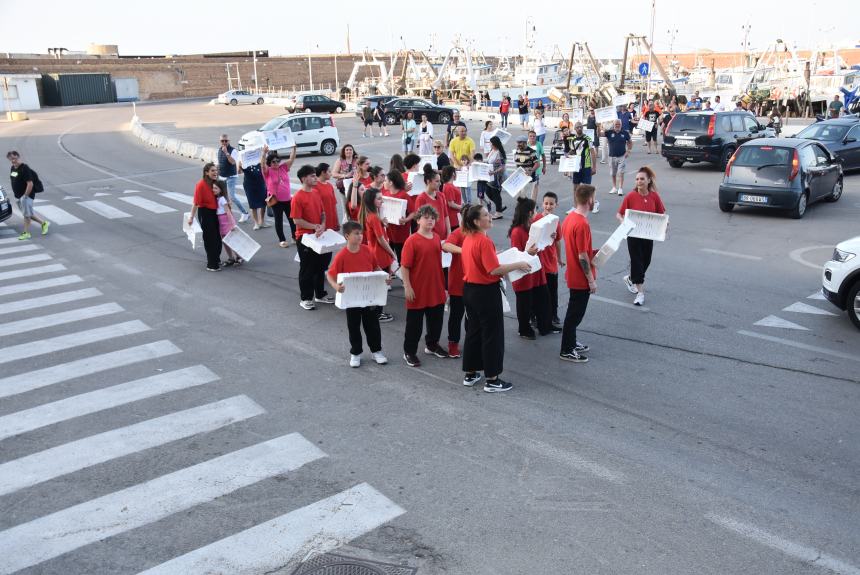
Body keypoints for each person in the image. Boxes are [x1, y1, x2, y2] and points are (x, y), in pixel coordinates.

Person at [460, 204, 531, 392]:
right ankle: (492, 379)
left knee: (474, 332)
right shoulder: (483, 241)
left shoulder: (469, 238)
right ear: (476, 221)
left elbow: (484, 262)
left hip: (470, 290)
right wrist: (518, 264)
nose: (490, 217)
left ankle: (471, 372)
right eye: (485, 215)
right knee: (492, 334)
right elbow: (494, 270)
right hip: (485, 292)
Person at [326, 221, 389, 367]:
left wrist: (384, 277)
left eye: (361, 233)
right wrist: (336, 286)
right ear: (347, 236)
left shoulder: (367, 250)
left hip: (369, 297)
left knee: (372, 325)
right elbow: (330, 275)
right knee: (353, 326)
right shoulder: (342, 256)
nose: (360, 236)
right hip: (351, 299)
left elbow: (376, 267)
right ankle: (355, 353)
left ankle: (376, 351)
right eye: (356, 233)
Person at [400, 205, 450, 366]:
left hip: (435, 287)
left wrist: (444, 287)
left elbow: (438, 265)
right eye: (426, 217)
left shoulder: (436, 238)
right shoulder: (412, 241)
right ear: (418, 219)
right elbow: (405, 266)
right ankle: (409, 352)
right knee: (414, 325)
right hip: (417, 289)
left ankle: (432, 345)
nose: (430, 220)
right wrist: (407, 287)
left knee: (436, 321)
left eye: (432, 218)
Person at [508, 198, 557, 339]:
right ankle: (524, 329)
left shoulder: (533, 225)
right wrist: (528, 253)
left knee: (543, 299)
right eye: (535, 210)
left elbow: (541, 243)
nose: (537, 213)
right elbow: (516, 254)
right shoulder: (517, 231)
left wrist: (550, 237)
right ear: (530, 212)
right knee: (524, 303)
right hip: (524, 272)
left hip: (535, 269)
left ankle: (545, 325)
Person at [617, 166, 666, 306]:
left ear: (648, 180)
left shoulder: (654, 196)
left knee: (646, 261)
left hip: (648, 235)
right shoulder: (630, 196)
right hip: (633, 236)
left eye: (642, 179)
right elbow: (619, 214)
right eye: (637, 179)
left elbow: (661, 214)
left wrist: (664, 224)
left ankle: (631, 278)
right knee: (637, 261)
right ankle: (640, 293)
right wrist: (623, 222)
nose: (639, 181)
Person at [559, 184, 597, 363]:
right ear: (590, 200)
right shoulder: (582, 223)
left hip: (572, 274)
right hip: (579, 278)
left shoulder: (570, 218)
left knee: (574, 313)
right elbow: (582, 257)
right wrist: (591, 280)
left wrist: (594, 252)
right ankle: (567, 349)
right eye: (594, 198)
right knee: (575, 315)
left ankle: (572, 342)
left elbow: (578, 249)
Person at [292, 164, 333, 310]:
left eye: (315, 175)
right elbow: (297, 220)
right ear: (304, 178)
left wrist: (322, 225)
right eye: (312, 176)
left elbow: (323, 213)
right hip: (305, 238)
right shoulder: (298, 197)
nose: (315, 178)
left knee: (320, 266)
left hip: (318, 235)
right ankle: (306, 298)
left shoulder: (316, 193)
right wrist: (314, 227)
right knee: (307, 269)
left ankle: (320, 294)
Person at [359, 186, 398, 324]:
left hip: (375, 254)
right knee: (382, 285)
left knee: (379, 284)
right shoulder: (374, 217)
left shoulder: (371, 215)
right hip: (380, 255)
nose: (382, 200)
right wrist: (392, 252)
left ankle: (374, 312)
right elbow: (381, 239)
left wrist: (383, 223)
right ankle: (377, 313)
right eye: (379, 198)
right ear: (372, 201)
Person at [534, 191, 564, 324]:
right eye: (546, 203)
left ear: (556, 205)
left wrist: (559, 258)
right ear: (542, 204)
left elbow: (558, 241)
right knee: (538, 292)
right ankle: (535, 314)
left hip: (550, 261)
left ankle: (554, 314)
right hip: (538, 261)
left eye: (551, 204)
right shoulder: (536, 219)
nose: (548, 206)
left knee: (552, 291)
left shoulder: (556, 222)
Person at [442, 207, 468, 358]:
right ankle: (453, 344)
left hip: (474, 283)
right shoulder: (458, 232)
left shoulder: (479, 233)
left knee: (471, 316)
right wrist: (463, 250)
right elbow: (445, 246)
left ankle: (471, 342)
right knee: (456, 315)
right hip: (458, 283)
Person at [6, 151, 49, 240]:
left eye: (14, 158)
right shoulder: (13, 168)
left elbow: (30, 184)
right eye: (11, 159)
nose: (13, 160)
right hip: (19, 196)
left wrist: (25, 196)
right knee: (28, 213)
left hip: (26, 195)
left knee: (26, 215)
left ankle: (26, 233)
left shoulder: (24, 168)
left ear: (18, 156)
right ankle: (43, 223)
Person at [189, 163, 224, 272]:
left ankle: (216, 259)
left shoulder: (215, 183)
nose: (215, 172)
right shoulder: (200, 185)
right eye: (212, 171)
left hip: (215, 213)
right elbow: (196, 203)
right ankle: (211, 264)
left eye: (216, 170)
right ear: (206, 172)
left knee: (218, 239)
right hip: (205, 213)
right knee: (210, 239)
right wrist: (191, 217)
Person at [261, 147, 296, 248]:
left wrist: (294, 149)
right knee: (279, 220)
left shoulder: (283, 168)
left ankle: (294, 237)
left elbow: (292, 159)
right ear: (270, 163)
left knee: (292, 219)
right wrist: (263, 153)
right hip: (276, 200)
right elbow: (262, 164)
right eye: (273, 161)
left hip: (287, 199)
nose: (276, 163)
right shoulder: (267, 171)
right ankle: (282, 240)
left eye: (277, 161)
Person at [217, 134, 250, 223]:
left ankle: (245, 213)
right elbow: (220, 162)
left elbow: (232, 162)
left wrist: (226, 153)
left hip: (231, 177)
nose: (224, 142)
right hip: (222, 176)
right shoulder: (219, 150)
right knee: (222, 197)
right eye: (222, 141)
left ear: (229, 141)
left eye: (226, 141)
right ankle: (227, 214)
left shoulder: (233, 151)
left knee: (232, 197)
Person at [383, 170, 412, 262]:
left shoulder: (404, 195)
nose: (384, 183)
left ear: (391, 183)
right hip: (389, 233)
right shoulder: (385, 195)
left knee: (402, 258)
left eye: (385, 180)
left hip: (401, 235)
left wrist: (406, 220)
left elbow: (414, 212)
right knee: (388, 258)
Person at [414, 166, 450, 240]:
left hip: (444, 238)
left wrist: (449, 233)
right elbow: (420, 222)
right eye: (437, 181)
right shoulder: (421, 199)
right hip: (430, 238)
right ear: (428, 181)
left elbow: (446, 216)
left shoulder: (441, 195)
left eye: (440, 181)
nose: (440, 183)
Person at [238, 150, 269, 230]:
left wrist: (264, 153)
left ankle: (262, 221)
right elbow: (239, 171)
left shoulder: (259, 161)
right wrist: (239, 164)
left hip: (261, 184)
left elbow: (264, 162)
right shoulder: (245, 161)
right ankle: (256, 222)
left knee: (263, 203)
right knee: (253, 204)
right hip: (249, 185)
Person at [605, 119, 633, 206]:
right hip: (612, 156)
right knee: (613, 173)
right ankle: (614, 187)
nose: (617, 125)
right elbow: (600, 134)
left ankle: (620, 188)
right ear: (613, 125)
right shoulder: (609, 132)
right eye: (616, 124)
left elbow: (630, 142)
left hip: (622, 156)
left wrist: (628, 151)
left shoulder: (624, 133)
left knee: (620, 172)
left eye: (619, 124)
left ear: (621, 125)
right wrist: (599, 126)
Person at [214, 181, 241, 266]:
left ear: (221, 190)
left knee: (231, 241)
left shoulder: (222, 199)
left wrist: (232, 224)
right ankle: (230, 258)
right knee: (225, 241)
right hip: (220, 223)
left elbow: (228, 212)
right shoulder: (215, 198)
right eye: (213, 188)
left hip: (226, 222)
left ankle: (239, 257)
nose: (213, 189)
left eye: (215, 188)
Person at [564, 121, 597, 189]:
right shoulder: (573, 139)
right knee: (575, 187)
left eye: (581, 127)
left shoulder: (588, 139)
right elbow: (573, 150)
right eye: (577, 127)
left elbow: (593, 153)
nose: (579, 128)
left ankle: (587, 200)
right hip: (576, 167)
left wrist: (594, 167)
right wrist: (567, 154)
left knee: (587, 188)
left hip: (586, 166)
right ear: (575, 129)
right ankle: (576, 200)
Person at [485, 136, 507, 219]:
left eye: (491, 143)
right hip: (489, 176)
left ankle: (499, 212)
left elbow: (502, 167)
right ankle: (500, 206)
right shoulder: (492, 151)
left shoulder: (499, 153)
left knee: (495, 194)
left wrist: (494, 172)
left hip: (497, 177)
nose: (490, 144)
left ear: (494, 144)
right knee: (488, 192)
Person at [314, 163, 340, 234]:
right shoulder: (315, 186)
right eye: (329, 171)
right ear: (323, 172)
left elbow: (334, 204)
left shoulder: (330, 186)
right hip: (322, 222)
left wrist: (336, 220)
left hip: (331, 219)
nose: (331, 174)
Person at [514, 135, 539, 201]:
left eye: (520, 142)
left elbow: (537, 164)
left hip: (528, 178)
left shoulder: (531, 152)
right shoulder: (517, 151)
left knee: (524, 196)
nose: (518, 144)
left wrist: (531, 171)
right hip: (519, 177)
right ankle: (523, 208)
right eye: (517, 142)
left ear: (525, 143)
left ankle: (530, 208)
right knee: (519, 197)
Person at [440, 165, 463, 232]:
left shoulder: (449, 186)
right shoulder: (449, 187)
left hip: (455, 216)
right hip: (453, 217)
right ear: (453, 173)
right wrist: (462, 207)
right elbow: (451, 204)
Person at [527, 130, 546, 202]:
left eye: (534, 136)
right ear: (528, 137)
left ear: (536, 137)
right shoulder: (526, 144)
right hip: (527, 168)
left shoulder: (539, 144)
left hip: (536, 168)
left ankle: (533, 202)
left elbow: (543, 156)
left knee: (535, 185)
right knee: (525, 186)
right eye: (530, 136)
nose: (532, 138)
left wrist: (544, 167)